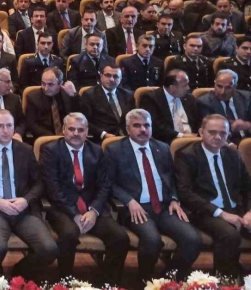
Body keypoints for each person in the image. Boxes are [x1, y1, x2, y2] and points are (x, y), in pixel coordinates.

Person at [105, 109, 201, 282]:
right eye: (137, 125)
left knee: (192, 239)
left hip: (164, 207)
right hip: (137, 208)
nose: (143, 129)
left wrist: (173, 199)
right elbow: (109, 183)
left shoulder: (162, 148)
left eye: (147, 125)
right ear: (127, 129)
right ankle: (144, 281)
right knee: (152, 240)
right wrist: (129, 201)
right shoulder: (115, 150)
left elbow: (172, 178)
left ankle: (167, 281)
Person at [0, 109, 59, 278]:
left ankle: (20, 272)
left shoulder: (25, 150)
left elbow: (39, 183)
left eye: (9, 125)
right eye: (0, 126)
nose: (5, 130)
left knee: (50, 249)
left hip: (23, 209)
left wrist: (26, 200)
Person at [40, 112, 129, 283]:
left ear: (87, 131)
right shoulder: (51, 150)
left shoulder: (96, 151)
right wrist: (74, 214)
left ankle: (107, 283)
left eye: (80, 130)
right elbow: (53, 188)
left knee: (120, 238)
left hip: (92, 208)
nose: (76, 133)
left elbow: (104, 185)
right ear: (63, 130)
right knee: (68, 235)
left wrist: (94, 211)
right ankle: (65, 281)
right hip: (62, 208)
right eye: (71, 129)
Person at [175, 114, 251, 279]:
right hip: (204, 210)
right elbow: (185, 193)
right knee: (229, 234)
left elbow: (248, 188)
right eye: (212, 132)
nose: (218, 137)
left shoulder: (233, 154)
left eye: (223, 133)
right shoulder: (187, 155)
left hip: (235, 208)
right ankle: (225, 280)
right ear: (201, 132)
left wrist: (249, 211)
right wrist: (222, 214)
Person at [138, 70, 200, 143]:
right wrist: (181, 135)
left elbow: (198, 121)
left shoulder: (189, 98)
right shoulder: (151, 99)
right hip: (167, 141)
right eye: (184, 85)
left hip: (194, 140)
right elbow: (155, 127)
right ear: (172, 88)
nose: (188, 88)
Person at [197, 69, 251, 145]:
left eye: (228, 88)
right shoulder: (205, 102)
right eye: (219, 86)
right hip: (225, 144)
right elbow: (210, 132)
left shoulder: (246, 97)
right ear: (214, 83)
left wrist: (247, 125)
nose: (222, 92)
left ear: (235, 87)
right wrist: (230, 146)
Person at [81, 65, 135, 139]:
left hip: (127, 137)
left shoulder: (128, 95)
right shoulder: (89, 95)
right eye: (108, 75)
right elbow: (84, 121)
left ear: (121, 79)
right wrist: (103, 134)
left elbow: (133, 118)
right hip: (102, 138)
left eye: (116, 76)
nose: (112, 79)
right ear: (101, 76)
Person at [26, 67, 80, 137]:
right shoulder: (33, 97)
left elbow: (81, 116)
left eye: (50, 84)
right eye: (43, 83)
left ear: (60, 83)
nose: (46, 88)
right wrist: (54, 138)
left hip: (69, 136)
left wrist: (74, 95)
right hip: (45, 137)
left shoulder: (68, 94)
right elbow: (32, 124)